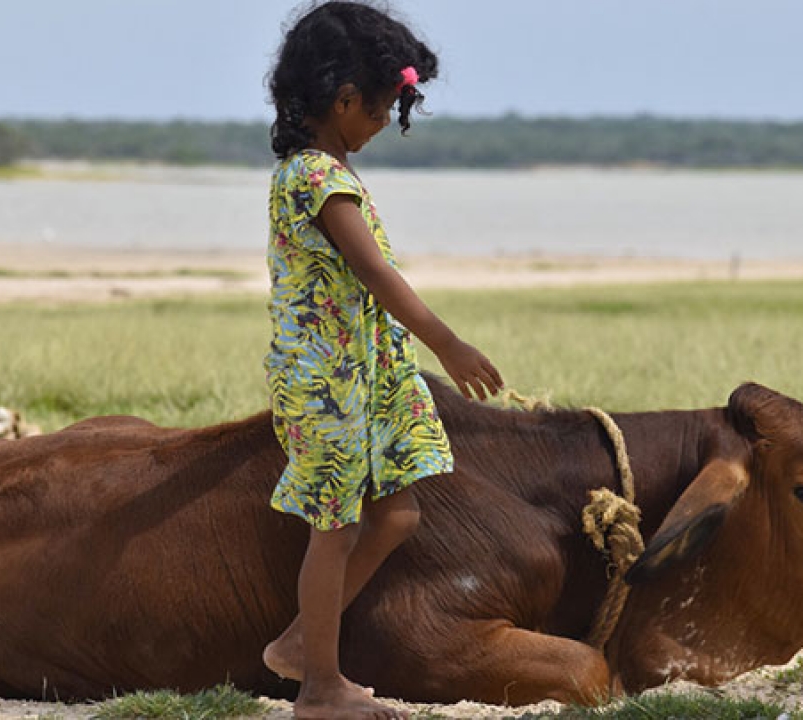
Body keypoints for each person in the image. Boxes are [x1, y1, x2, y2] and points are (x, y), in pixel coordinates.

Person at [260, 2, 504, 718]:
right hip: (328, 382)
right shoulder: (313, 177)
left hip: (369, 371)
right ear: (342, 101)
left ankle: (303, 641)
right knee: (334, 525)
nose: (379, 128)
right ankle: (319, 688)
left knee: (397, 515)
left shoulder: (332, 170)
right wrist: (448, 342)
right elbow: (376, 275)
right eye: (379, 111)